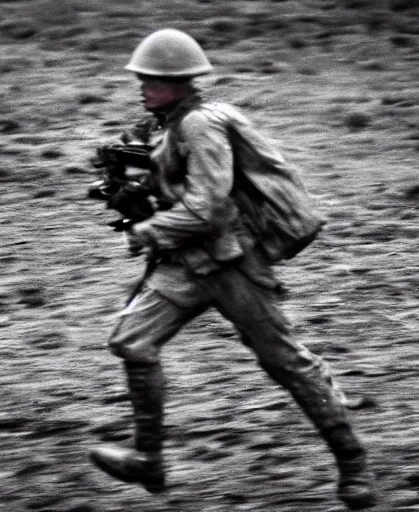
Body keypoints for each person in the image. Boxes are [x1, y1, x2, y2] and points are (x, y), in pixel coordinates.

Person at [87, 29, 375, 509]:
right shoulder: (161, 125)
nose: (141, 84)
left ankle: (353, 464)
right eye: (141, 77)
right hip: (186, 263)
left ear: (180, 82)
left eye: (152, 79)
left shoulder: (201, 125)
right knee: (130, 340)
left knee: (283, 361)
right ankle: (148, 459)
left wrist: (148, 231)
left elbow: (207, 207)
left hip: (231, 262)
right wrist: (128, 181)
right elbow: (168, 182)